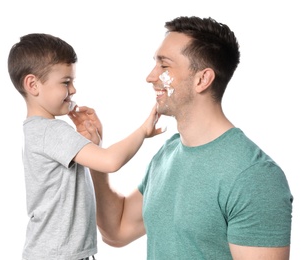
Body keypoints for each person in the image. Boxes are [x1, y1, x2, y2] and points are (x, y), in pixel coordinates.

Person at [73, 16, 294, 259]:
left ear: (202, 79)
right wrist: (95, 155)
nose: (150, 76)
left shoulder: (254, 175)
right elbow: (117, 230)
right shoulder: (168, 154)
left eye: (164, 66)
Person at [8, 33, 164, 260]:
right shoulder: (52, 131)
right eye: (65, 82)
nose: (73, 90)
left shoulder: (37, 131)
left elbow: (97, 161)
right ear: (32, 84)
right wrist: (143, 131)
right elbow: (110, 161)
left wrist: (94, 144)